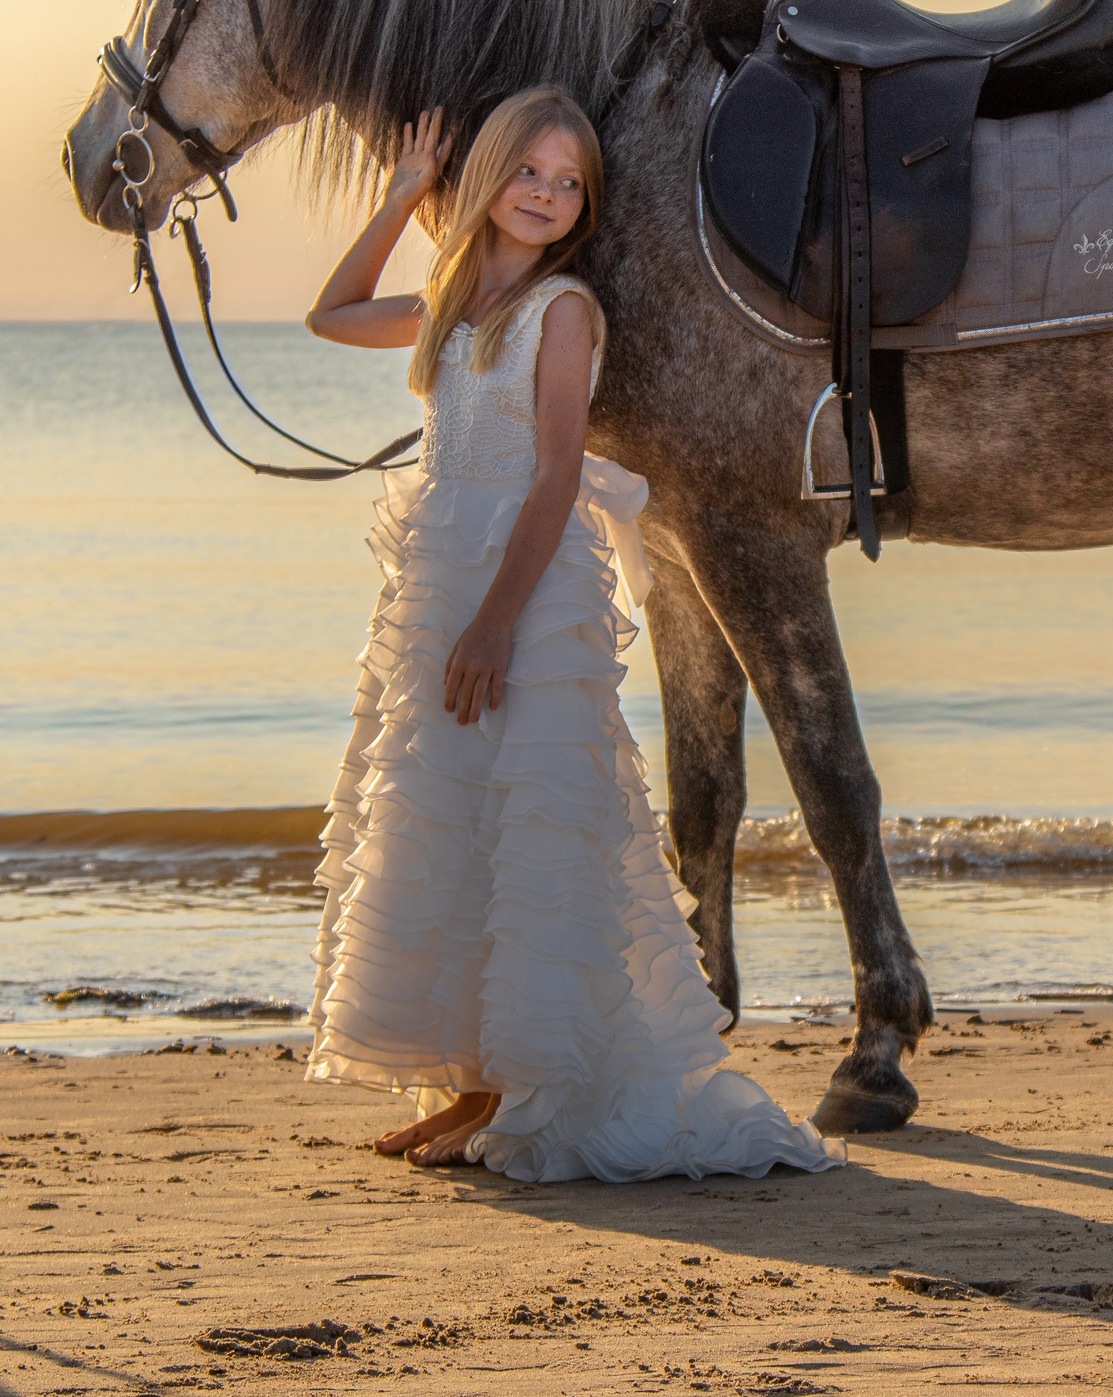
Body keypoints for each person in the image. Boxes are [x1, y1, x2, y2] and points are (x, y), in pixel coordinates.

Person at [298, 86, 844, 1181]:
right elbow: (331, 312)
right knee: (448, 817)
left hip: (521, 588)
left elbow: (554, 475)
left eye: (567, 183)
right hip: (441, 576)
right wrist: (404, 194)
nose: (546, 195)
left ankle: (516, 1086)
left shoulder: (563, 310)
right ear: (490, 175)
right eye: (528, 173)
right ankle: (472, 1081)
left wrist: (496, 624)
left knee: (533, 822)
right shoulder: (458, 298)